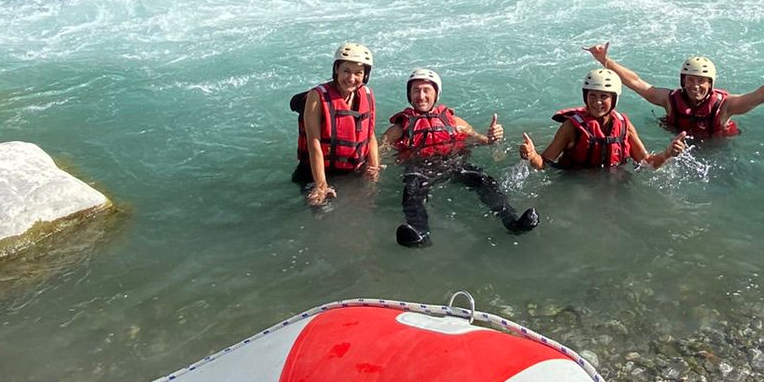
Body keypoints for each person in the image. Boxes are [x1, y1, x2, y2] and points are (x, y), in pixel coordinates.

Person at [385, 69, 540, 246]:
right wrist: (371, 167)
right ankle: (420, 233)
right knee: (411, 190)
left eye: (426, 90)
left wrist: (493, 137)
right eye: (416, 90)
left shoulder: (455, 122)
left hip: (454, 164)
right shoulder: (399, 129)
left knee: (484, 181)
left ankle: (512, 221)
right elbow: (378, 149)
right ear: (409, 95)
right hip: (420, 170)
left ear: (436, 94)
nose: (421, 96)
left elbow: (481, 140)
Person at [586, 43, 764, 140]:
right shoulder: (670, 100)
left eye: (702, 81)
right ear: (683, 80)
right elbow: (638, 83)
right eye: (691, 80)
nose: (695, 86)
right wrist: (606, 61)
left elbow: (760, 95)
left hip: (716, 147)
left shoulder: (726, 106)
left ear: (710, 84)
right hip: (679, 142)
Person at [519, 65, 688, 171]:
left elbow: (648, 163)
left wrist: (667, 153)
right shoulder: (571, 127)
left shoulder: (624, 125)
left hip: (614, 181)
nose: (597, 102)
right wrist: (532, 156)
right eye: (592, 96)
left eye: (604, 97)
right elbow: (544, 165)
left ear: (614, 99)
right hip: (576, 183)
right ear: (585, 96)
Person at [292, 43, 379, 207]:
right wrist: (321, 185)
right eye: (346, 71)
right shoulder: (316, 96)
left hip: (350, 171)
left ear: (365, 75)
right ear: (336, 70)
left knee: (360, 211)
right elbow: (314, 142)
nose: (352, 78)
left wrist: (373, 166)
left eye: (358, 73)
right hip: (314, 171)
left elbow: (370, 134)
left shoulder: (367, 95)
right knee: (322, 211)